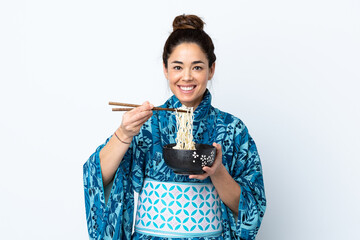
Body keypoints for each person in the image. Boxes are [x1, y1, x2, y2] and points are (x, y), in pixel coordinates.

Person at [83, 14, 266, 240]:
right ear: (165, 69)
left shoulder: (232, 129)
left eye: (197, 67)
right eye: (178, 67)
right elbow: (97, 177)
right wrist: (123, 134)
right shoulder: (148, 124)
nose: (186, 77)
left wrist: (217, 172)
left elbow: (252, 209)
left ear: (212, 69)